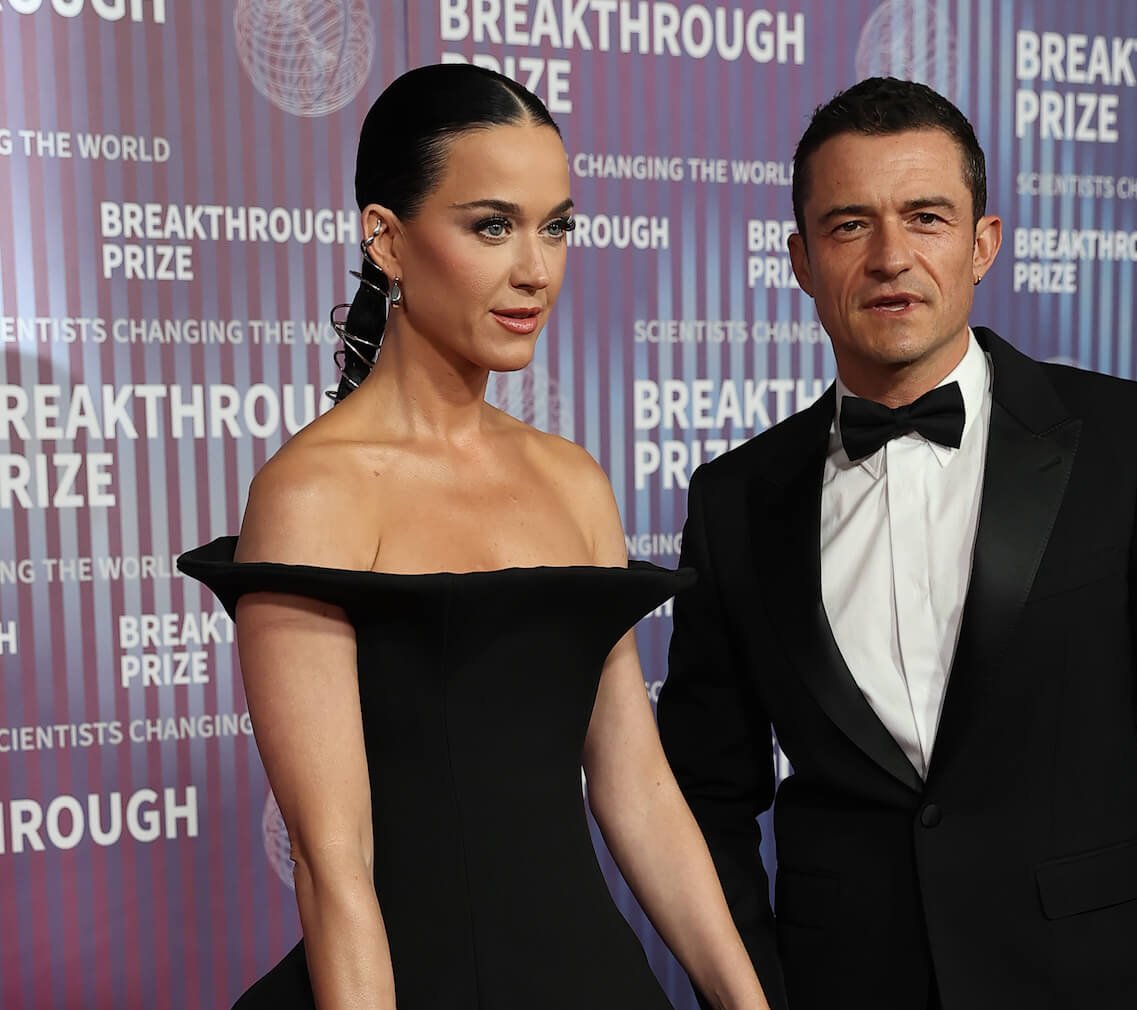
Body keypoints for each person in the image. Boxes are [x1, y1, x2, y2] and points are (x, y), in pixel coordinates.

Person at [656, 77, 1137, 1010]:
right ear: (797, 259)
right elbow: (705, 794)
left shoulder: (1125, 443)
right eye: (847, 225)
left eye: (925, 217)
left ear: (981, 243)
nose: (889, 258)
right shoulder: (734, 500)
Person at [179, 64, 770, 1010]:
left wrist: (746, 1003)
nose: (534, 268)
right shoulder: (314, 494)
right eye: (491, 225)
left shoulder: (572, 479)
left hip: (590, 980)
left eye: (556, 225)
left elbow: (638, 790)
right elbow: (336, 868)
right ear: (388, 241)